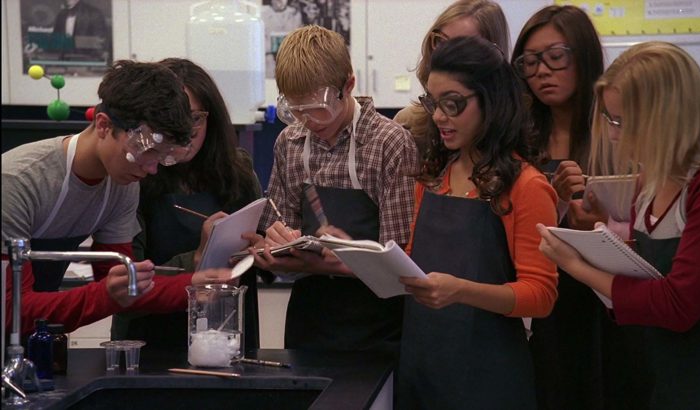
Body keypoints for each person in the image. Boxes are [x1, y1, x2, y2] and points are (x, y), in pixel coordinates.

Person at [537, 41, 700, 410]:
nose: (613, 134)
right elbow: (644, 282)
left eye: (623, 122)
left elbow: (677, 303)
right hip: (664, 377)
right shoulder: (650, 181)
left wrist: (577, 265)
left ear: (668, 116)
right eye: (610, 119)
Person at [2, 60, 233, 336]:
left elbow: (126, 284)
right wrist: (106, 295)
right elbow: (10, 310)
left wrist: (194, 285)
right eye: (143, 150)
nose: (151, 169)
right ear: (103, 125)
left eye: (162, 157)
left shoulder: (122, 183)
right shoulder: (18, 182)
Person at [396, 36, 558, 409]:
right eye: (433, 103)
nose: (439, 117)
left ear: (491, 100)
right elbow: (413, 258)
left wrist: (461, 291)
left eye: (452, 104)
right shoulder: (436, 174)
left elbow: (541, 296)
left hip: (489, 378)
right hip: (423, 368)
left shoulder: (527, 185)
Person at [245, 25, 418, 354]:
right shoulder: (290, 143)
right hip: (309, 321)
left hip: (379, 324)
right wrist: (278, 244)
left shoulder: (389, 143)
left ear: (348, 85)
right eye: (297, 110)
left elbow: (402, 264)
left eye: (318, 109)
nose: (308, 121)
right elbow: (278, 228)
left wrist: (336, 257)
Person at [110, 58, 263, 352]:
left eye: (195, 118)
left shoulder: (238, 172)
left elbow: (259, 262)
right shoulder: (134, 176)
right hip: (151, 343)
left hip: (226, 339)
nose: (185, 131)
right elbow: (123, 285)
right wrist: (197, 259)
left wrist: (266, 249)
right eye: (173, 120)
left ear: (212, 119)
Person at [511, 6, 609, 410]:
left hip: (606, 306)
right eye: (530, 61)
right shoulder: (519, 138)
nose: (542, 72)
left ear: (583, 55)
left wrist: (600, 224)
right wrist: (554, 201)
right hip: (542, 304)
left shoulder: (614, 129)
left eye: (556, 56)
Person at [393, 0, 510, 137]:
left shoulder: (522, 130)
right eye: (441, 41)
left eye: (461, 47)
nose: (445, 54)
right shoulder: (408, 122)